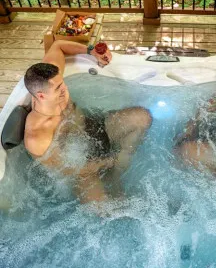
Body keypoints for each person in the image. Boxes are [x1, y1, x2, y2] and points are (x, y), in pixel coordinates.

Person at [24, 40, 152, 203]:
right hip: (81, 169)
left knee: (142, 117)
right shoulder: (37, 136)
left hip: (94, 128)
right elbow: (66, 170)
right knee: (104, 210)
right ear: (41, 95)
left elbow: (57, 45)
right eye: (58, 89)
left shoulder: (52, 79)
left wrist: (92, 51)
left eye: (62, 84)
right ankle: (113, 173)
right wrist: (104, 162)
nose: (65, 90)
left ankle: (117, 173)